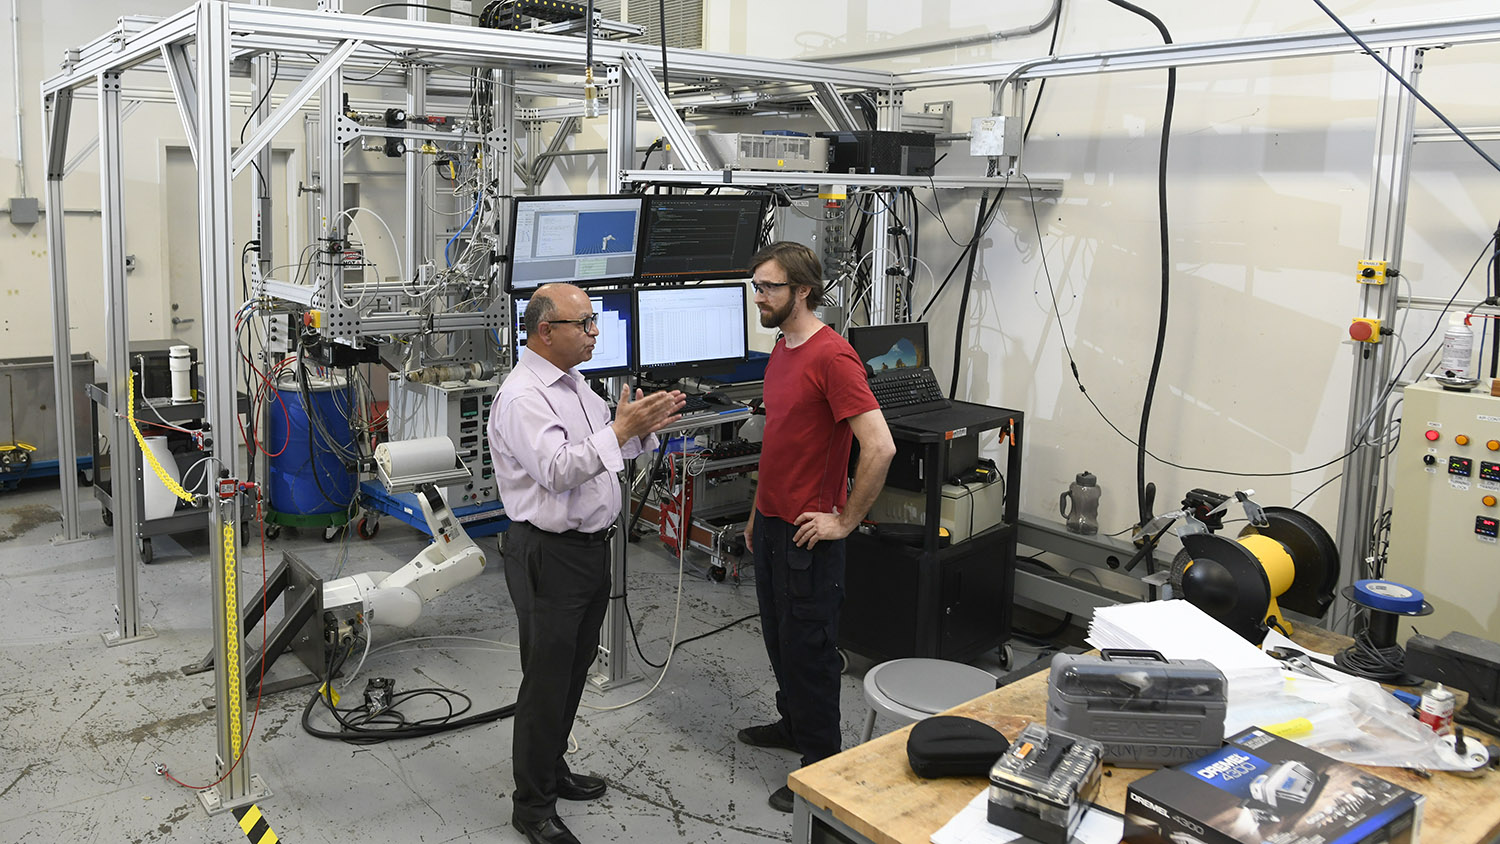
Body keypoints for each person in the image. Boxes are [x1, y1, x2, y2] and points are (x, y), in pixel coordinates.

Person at [489, 283, 684, 844]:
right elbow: (557, 469)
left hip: (589, 550)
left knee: (573, 672)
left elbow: (606, 451)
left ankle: (552, 769)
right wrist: (621, 431)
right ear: (546, 331)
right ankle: (532, 807)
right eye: (585, 324)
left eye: (594, 322)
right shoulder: (523, 397)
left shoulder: (576, 385)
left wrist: (637, 430)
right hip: (548, 555)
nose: (595, 332)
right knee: (546, 684)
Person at [735, 242, 896, 813]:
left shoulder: (833, 357)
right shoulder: (783, 348)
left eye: (769, 287)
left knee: (810, 652)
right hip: (772, 525)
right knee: (780, 641)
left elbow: (879, 446)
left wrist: (845, 522)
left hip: (808, 536)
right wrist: (756, 510)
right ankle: (794, 725)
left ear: (802, 290)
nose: (759, 297)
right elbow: (780, 441)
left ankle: (822, 765)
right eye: (756, 286)